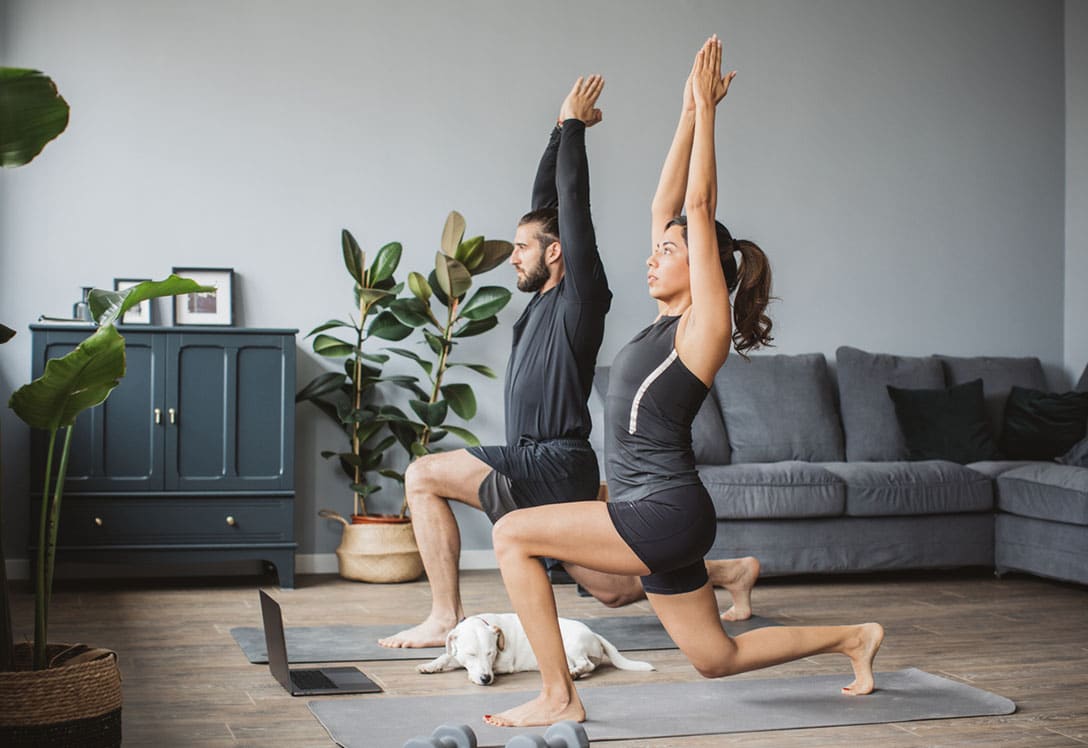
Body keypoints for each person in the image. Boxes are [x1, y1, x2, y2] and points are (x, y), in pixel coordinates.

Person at [484, 36, 884, 728]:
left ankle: (558, 696)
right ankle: (854, 638)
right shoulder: (662, 322)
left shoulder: (704, 327)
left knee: (514, 534)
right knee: (715, 657)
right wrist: (687, 112)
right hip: (658, 511)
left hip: (660, 511)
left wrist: (709, 112)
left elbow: (696, 208)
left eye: (668, 252)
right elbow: (666, 205)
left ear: (701, 267)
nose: (652, 257)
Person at [380, 76, 758, 650]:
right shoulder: (540, 300)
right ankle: (726, 572)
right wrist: (559, 131)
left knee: (423, 475)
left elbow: (571, 205)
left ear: (556, 252)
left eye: (523, 248)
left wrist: (576, 128)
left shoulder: (580, 298)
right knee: (612, 590)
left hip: (553, 461)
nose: (514, 257)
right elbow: (549, 204)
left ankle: (443, 616)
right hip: (536, 462)